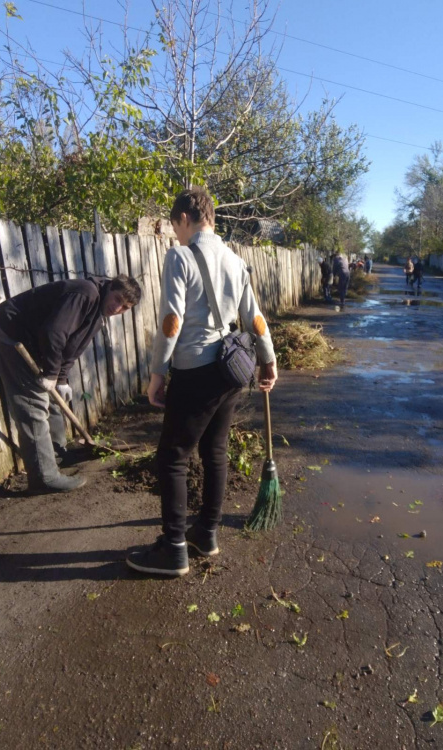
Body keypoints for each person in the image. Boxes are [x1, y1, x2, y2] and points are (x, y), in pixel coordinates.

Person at [126, 188, 278, 577]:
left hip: (194, 371)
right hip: (232, 371)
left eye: (175, 226)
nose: (175, 235)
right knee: (215, 452)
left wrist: (158, 374)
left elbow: (171, 321)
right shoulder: (235, 260)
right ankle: (205, 534)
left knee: (173, 457)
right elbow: (255, 317)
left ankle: (174, 550)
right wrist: (269, 360)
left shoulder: (180, 256)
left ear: (184, 219)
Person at [0, 274, 141, 493]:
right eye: (118, 299)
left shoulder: (98, 315)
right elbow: (54, 333)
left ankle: (57, 453)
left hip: (30, 342)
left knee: (53, 397)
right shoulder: (85, 293)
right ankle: (44, 477)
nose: (118, 308)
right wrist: (51, 373)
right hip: (9, 334)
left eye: (125, 307)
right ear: (110, 287)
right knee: (32, 405)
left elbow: (72, 348)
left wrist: (60, 379)